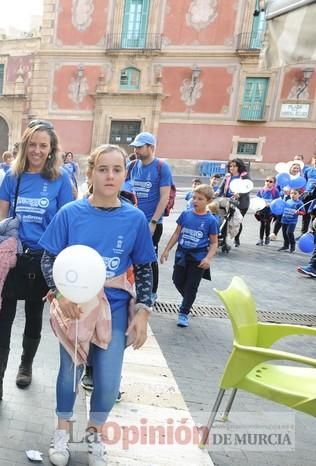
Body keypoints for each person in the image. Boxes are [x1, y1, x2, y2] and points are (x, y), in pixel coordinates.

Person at [39, 144, 156, 466]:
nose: (109, 175)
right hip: (75, 306)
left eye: (117, 169)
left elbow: (145, 267)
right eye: (102, 169)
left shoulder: (134, 218)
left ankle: (95, 436)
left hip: (115, 307)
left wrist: (143, 312)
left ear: (124, 175)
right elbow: (49, 259)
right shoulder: (70, 214)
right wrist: (61, 296)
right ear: (90, 173)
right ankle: (62, 433)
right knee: (69, 372)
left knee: (108, 381)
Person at [0, 120, 74, 401]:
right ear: (24, 146)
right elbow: (1, 213)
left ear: (52, 148)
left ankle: (26, 365)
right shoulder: (13, 176)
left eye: (43, 145)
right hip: (13, 257)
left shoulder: (60, 179)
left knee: (33, 314)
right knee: (3, 315)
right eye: (33, 145)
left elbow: (67, 219)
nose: (37, 151)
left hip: (44, 259)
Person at [160, 184, 219, 328]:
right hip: (181, 255)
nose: (195, 201)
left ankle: (184, 312)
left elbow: (214, 243)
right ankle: (187, 300)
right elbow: (176, 233)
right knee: (177, 280)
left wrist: (208, 258)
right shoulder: (185, 215)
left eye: (200, 199)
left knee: (192, 287)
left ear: (208, 201)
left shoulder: (211, 221)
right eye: (194, 197)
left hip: (198, 259)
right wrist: (167, 250)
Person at [126, 132, 173, 300]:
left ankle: (151, 293)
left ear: (151, 147)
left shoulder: (162, 167)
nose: (136, 150)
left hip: (151, 222)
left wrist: (153, 221)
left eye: (140, 147)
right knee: (130, 256)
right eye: (135, 147)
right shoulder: (132, 166)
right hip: (133, 221)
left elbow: (164, 197)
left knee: (149, 259)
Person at [218, 158, 251, 247]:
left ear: (239, 167)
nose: (232, 168)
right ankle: (223, 238)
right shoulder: (228, 176)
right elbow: (221, 188)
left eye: (234, 166)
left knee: (237, 220)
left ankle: (237, 239)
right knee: (225, 219)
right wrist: (217, 193)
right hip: (227, 201)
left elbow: (248, 189)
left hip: (241, 203)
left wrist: (239, 194)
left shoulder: (244, 176)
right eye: (230, 166)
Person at [255, 177, 279, 245]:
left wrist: (271, 204)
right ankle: (261, 239)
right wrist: (259, 206)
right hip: (262, 210)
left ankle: (267, 237)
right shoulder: (261, 190)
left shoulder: (275, 191)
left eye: (271, 181)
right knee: (262, 224)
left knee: (267, 224)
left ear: (273, 183)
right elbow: (257, 199)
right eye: (267, 181)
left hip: (270, 211)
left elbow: (278, 201)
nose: (268, 182)